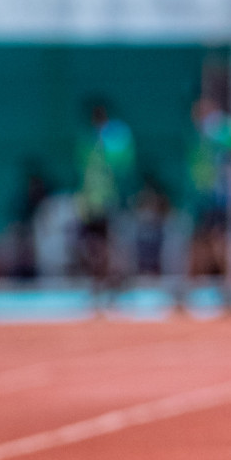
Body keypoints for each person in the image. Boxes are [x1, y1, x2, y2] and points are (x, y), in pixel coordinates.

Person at [176, 95, 231, 315]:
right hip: (203, 197)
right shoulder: (201, 131)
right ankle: (192, 293)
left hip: (219, 198)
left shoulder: (222, 128)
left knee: (220, 243)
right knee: (200, 245)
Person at [76, 101, 136, 314]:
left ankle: (115, 287)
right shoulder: (88, 140)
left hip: (110, 200)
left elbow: (122, 165)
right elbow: (86, 175)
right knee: (93, 247)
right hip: (92, 203)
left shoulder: (117, 136)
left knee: (111, 246)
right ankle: (99, 287)